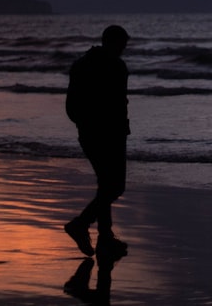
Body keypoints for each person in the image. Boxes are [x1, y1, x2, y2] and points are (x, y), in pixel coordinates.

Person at [64, 25, 131, 258]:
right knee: (114, 187)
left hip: (89, 134)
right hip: (110, 135)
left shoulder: (81, 64)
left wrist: (84, 124)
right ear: (113, 43)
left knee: (106, 186)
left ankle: (105, 238)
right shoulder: (116, 66)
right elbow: (118, 105)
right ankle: (81, 224)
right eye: (122, 45)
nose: (123, 49)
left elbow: (71, 107)